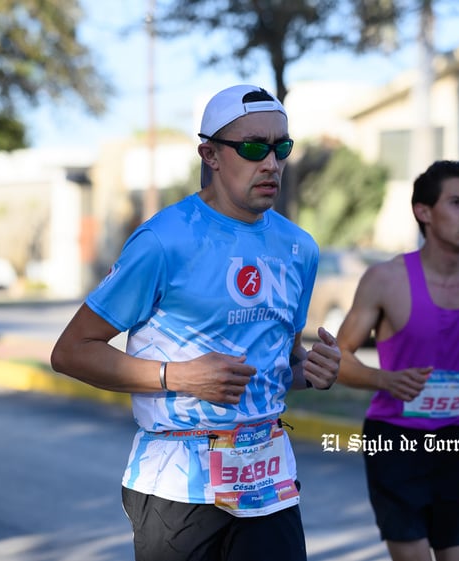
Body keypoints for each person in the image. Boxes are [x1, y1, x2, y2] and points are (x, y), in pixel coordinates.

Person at [50, 84, 341, 561]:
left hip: (268, 481)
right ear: (210, 154)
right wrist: (178, 376)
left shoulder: (300, 249)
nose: (270, 163)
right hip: (177, 483)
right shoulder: (164, 241)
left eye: (281, 147)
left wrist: (315, 371)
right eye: (252, 148)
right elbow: (71, 351)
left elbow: (283, 366)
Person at [335, 160, 459, 561]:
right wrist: (386, 380)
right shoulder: (386, 279)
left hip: (458, 442)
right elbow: (337, 359)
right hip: (395, 443)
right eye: (457, 202)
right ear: (424, 212)